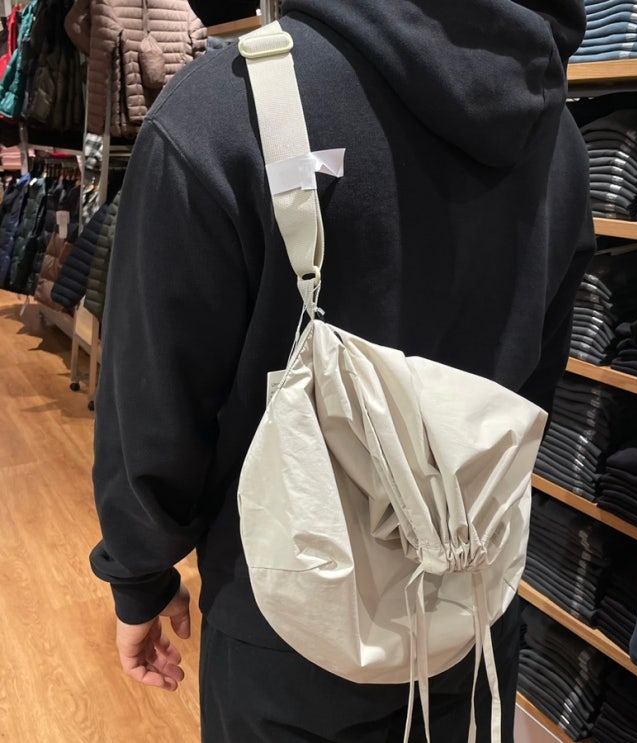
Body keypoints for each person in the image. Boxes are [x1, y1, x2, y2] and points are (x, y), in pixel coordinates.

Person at [90, 1, 594, 741]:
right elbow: (535, 382)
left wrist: (140, 573)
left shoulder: (226, 107)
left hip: (289, 614)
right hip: (471, 606)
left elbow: (154, 395)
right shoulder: (559, 139)